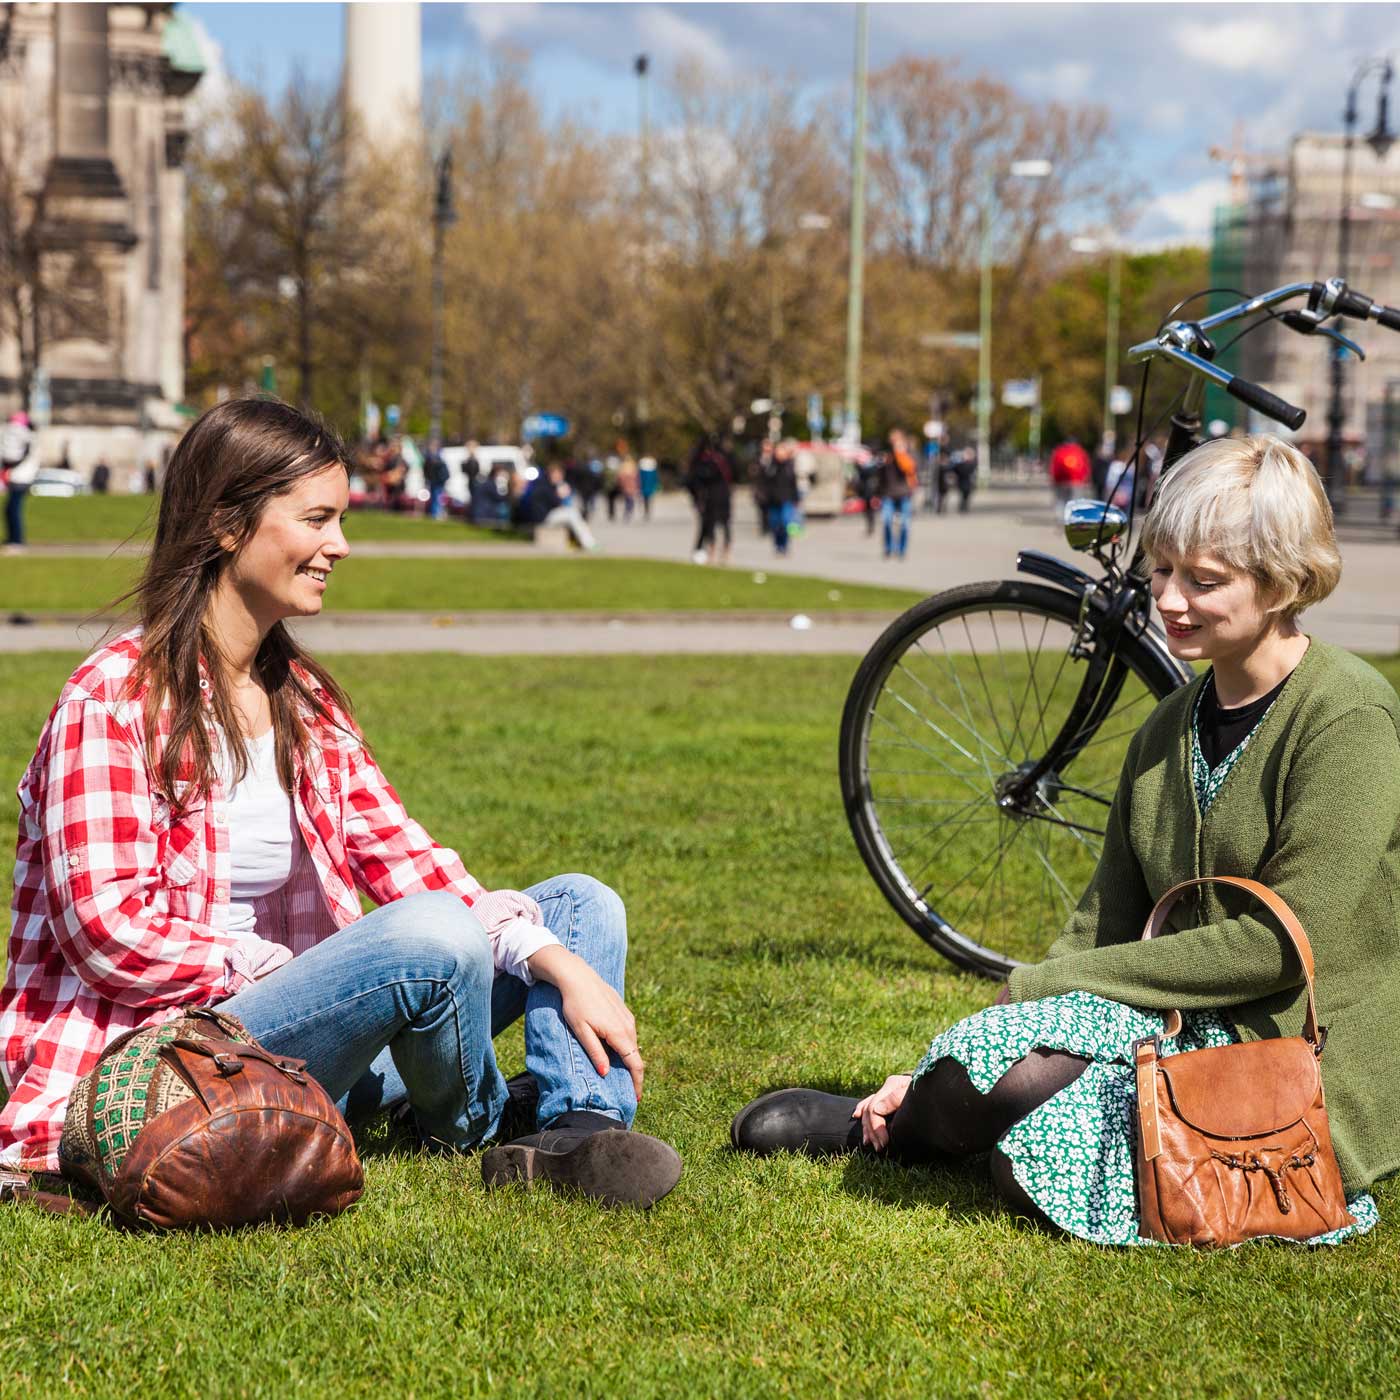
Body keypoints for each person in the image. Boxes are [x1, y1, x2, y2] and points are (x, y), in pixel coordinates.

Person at [0, 398, 680, 1208]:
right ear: (226, 524)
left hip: (309, 1036)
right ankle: (479, 1124)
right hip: (177, 1054)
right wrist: (285, 970)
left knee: (577, 907)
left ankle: (575, 1132)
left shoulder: (304, 699)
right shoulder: (112, 700)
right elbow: (105, 930)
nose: (341, 546)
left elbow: (407, 860)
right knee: (431, 935)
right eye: (318, 518)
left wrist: (555, 962)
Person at [732, 434, 1394, 1246]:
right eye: (1162, 570)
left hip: (1291, 1048)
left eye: (1204, 580)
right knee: (997, 1065)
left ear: (1284, 580)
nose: (1171, 600)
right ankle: (897, 1120)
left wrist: (1055, 983)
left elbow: (1280, 946)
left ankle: (928, 1127)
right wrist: (1034, 1000)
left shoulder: (1348, 718)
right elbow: (1105, 917)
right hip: (1178, 1016)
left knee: (1026, 1161)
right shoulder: (1166, 727)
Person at [684, 434, 733, 566]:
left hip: (712, 496)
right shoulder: (722, 458)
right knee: (717, 524)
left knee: (713, 524)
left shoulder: (706, 460)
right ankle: (715, 551)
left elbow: (692, 480)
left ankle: (713, 551)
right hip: (718, 495)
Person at [879, 429, 918, 559]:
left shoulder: (908, 455)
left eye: (896, 439)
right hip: (888, 493)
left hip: (904, 493)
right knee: (886, 521)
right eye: (892, 440)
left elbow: (909, 468)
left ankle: (901, 550)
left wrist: (900, 454)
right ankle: (889, 548)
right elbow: (880, 475)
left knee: (905, 524)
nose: (893, 442)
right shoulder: (887, 456)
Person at [2, 411, 37, 551]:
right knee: (10, 509)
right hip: (21, 477)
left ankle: (16, 540)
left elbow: (15, 457)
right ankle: (14, 539)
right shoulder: (29, 436)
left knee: (13, 509)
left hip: (20, 478)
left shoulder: (22, 436)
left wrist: (7, 466)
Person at [760, 440, 800, 556]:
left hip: (786, 499)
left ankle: (784, 546)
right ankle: (777, 545)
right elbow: (764, 481)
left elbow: (793, 484)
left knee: (785, 522)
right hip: (773, 500)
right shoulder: (771, 466)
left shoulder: (789, 466)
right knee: (775, 524)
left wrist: (796, 499)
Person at [1048, 436, 1091, 507]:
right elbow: (1086, 466)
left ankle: (1062, 517)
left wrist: (1054, 480)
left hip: (1061, 482)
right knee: (1076, 501)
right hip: (1077, 482)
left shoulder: (1059, 451)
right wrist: (1086, 479)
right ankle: (1073, 516)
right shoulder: (1080, 451)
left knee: (1061, 501)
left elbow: (1054, 467)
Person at [423, 438, 450, 520]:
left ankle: (437, 513)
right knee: (436, 498)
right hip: (434, 481)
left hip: (439, 481)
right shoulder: (431, 458)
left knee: (438, 498)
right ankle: (435, 513)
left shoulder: (437, 457)